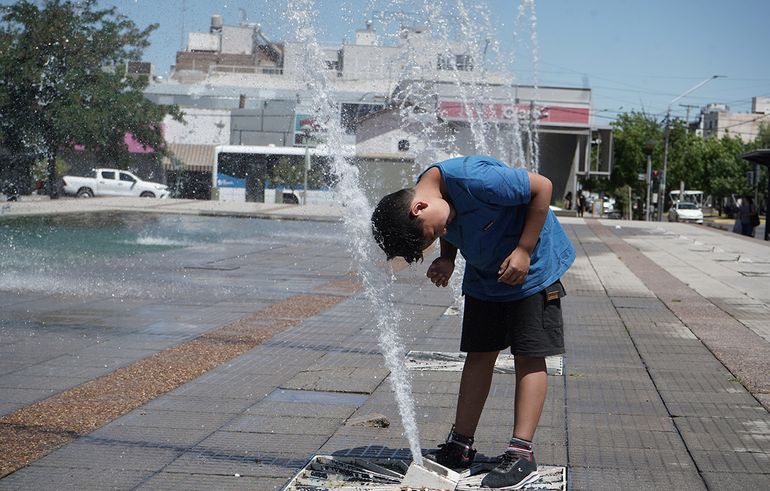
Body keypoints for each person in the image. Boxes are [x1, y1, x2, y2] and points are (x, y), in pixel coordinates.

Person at [371, 155, 575, 489]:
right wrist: (448, 258)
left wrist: (524, 249)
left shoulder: (475, 180)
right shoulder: (434, 198)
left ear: (418, 207)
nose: (440, 234)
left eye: (432, 235)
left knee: (529, 354)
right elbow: (446, 216)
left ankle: (521, 454)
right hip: (485, 276)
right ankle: (460, 446)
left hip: (533, 270)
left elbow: (542, 187)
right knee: (479, 354)